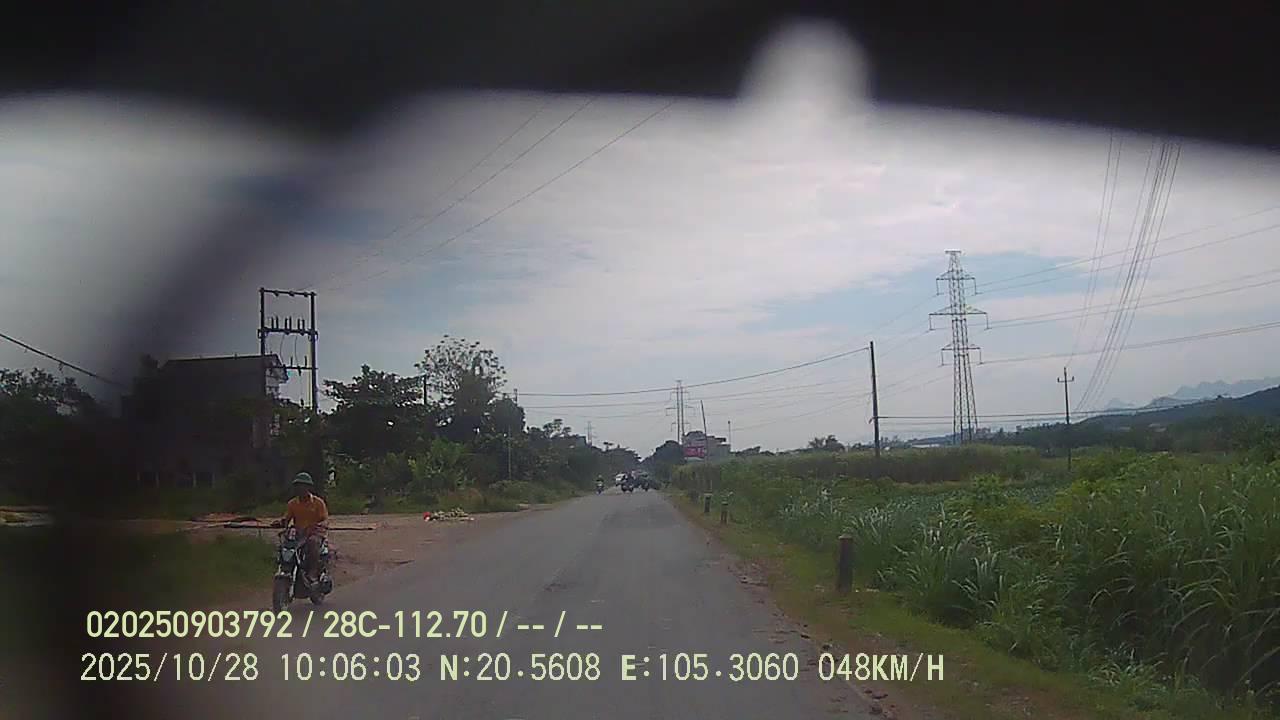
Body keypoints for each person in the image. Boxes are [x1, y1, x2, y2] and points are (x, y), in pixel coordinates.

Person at [273, 472, 329, 581]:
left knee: (313, 543)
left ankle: (313, 571)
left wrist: (319, 525)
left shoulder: (318, 503)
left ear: (309, 487)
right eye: (298, 486)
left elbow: (325, 520)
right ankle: (286, 566)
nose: (300, 488)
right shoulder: (292, 503)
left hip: (315, 532)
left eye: (303, 485)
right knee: (285, 543)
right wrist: (280, 522)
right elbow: (287, 518)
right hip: (299, 532)